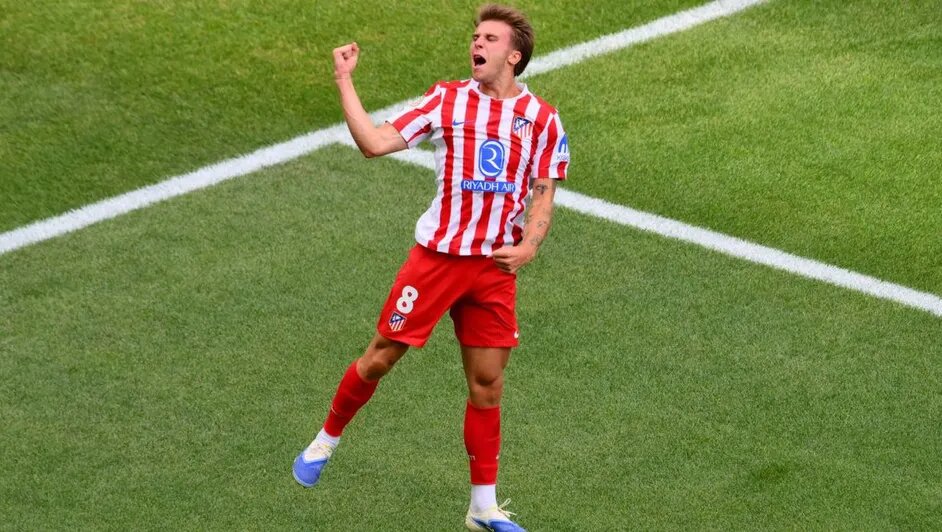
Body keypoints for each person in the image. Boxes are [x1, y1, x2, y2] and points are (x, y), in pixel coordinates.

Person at [292, 4, 569, 530]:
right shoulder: (447, 100)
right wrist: (344, 79)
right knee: (380, 358)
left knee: (487, 385)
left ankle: (482, 507)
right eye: (475, 36)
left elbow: (544, 193)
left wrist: (530, 246)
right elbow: (374, 143)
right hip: (436, 262)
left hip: (492, 269)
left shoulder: (542, 119)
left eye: (489, 38)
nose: (476, 43)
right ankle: (324, 441)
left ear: (514, 56)